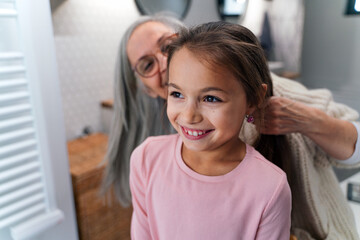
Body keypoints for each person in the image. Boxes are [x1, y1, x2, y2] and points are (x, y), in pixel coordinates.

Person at [102, 14, 360, 239]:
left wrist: (309, 120)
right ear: (144, 88)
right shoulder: (154, 150)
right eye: (147, 64)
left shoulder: (271, 95)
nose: (163, 61)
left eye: (166, 46)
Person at [130, 21, 292, 239]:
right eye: (177, 94)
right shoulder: (146, 158)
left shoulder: (270, 187)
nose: (188, 116)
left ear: (254, 98)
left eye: (211, 98)